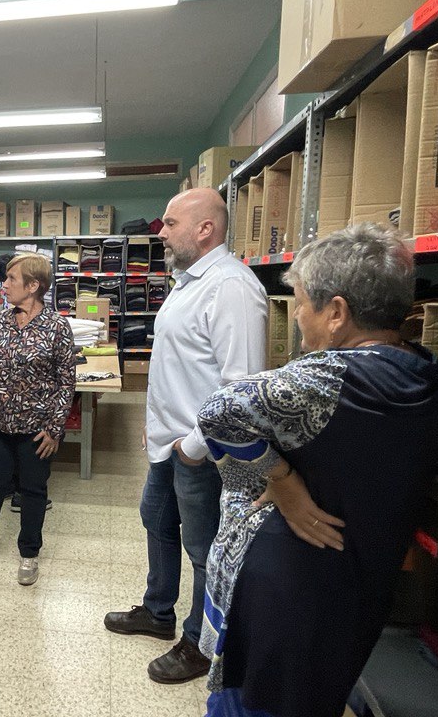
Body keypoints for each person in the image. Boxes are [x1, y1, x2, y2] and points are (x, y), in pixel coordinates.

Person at [193, 225, 438, 717]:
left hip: (286, 590)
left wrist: (282, 481)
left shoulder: (327, 379)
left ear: (336, 313)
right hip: (352, 588)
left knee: (252, 703)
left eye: (303, 302)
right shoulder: (421, 370)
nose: (298, 317)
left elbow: (217, 411)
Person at [104, 188, 267, 684]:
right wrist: (158, 431)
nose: (160, 231)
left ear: (205, 229)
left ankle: (199, 643)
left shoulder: (232, 288)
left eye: (171, 223)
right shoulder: (188, 280)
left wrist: (194, 447)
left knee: (203, 548)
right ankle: (158, 613)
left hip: (201, 452)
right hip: (168, 443)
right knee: (156, 520)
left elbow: (240, 386)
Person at [0, 253, 75, 586]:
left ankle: (29, 554)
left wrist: (54, 429)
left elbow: (66, 380)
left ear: (34, 286)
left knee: (33, 490)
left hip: (37, 429)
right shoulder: (1, 321)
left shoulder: (57, 327)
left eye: (12, 279)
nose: (5, 284)